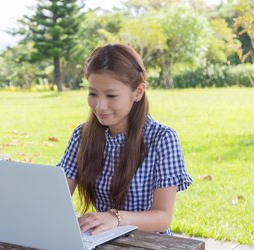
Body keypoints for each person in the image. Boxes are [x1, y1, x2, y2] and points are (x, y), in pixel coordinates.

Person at [57, 43, 192, 236]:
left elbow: (162, 218)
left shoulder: (162, 139)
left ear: (138, 92)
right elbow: (56, 194)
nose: (100, 106)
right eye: (93, 94)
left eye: (111, 95)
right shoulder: (82, 136)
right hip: (100, 239)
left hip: (148, 242)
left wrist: (116, 218)